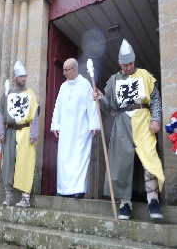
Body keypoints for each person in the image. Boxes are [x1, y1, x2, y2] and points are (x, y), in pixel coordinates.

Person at [92, 39, 165, 220]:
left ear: (134, 61)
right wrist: (100, 98)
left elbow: (155, 98)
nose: (128, 67)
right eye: (125, 65)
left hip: (143, 120)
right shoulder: (113, 81)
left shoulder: (145, 75)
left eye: (131, 64)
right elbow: (110, 108)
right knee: (122, 162)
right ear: (119, 64)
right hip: (122, 121)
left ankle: (153, 200)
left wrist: (156, 119)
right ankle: (125, 203)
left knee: (149, 158)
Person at [50, 58, 100, 199]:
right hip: (66, 130)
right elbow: (57, 108)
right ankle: (63, 189)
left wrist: (93, 125)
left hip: (80, 129)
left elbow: (91, 106)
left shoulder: (85, 85)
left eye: (66, 70)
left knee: (79, 159)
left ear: (74, 70)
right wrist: (56, 125)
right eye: (63, 70)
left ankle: (78, 189)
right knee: (64, 159)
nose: (64, 73)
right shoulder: (63, 87)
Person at [0, 61, 39, 207]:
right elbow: (1, 114)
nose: (24, 79)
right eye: (21, 77)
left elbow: (34, 115)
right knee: (7, 163)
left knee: (25, 163)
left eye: (25, 76)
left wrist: (34, 134)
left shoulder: (31, 94)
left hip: (25, 133)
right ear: (15, 77)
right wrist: (0, 131)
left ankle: (25, 198)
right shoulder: (7, 94)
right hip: (10, 133)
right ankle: (8, 196)